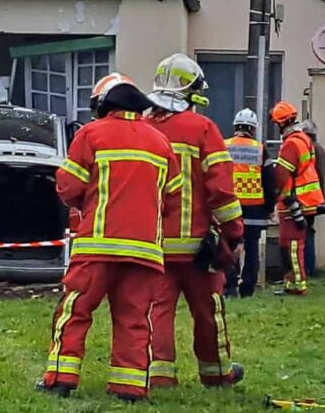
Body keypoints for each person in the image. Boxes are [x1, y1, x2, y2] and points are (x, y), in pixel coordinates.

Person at [36, 73, 182, 402]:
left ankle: (61, 378)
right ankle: (129, 387)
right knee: (134, 319)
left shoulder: (92, 134)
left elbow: (68, 187)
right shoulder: (161, 143)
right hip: (144, 251)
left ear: (102, 105)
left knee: (75, 311)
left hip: (97, 246)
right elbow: (173, 199)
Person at [146, 53, 245, 388]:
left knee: (157, 311)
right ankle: (216, 373)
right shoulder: (203, 129)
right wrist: (233, 234)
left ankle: (159, 375)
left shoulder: (143, 129)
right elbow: (221, 191)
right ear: (190, 91)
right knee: (208, 311)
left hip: (153, 244)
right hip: (198, 246)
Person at [271, 101, 325, 295]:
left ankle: (297, 284)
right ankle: (291, 283)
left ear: (282, 123)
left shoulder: (291, 144)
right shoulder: (303, 139)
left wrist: (273, 194)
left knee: (292, 245)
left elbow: (282, 175)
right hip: (305, 200)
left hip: (294, 201)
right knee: (293, 244)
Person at [223, 109, 276, 297]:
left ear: (235, 127)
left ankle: (229, 286)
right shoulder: (260, 149)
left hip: (230, 207)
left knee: (230, 246)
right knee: (252, 248)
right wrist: (270, 208)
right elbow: (269, 182)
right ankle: (248, 288)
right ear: (253, 129)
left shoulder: (224, 146)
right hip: (255, 209)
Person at [301, 120, 325, 276]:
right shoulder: (319, 149)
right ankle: (309, 268)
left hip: (307, 199)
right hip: (314, 198)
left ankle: (308, 268)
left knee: (305, 233)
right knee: (308, 231)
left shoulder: (311, 149)